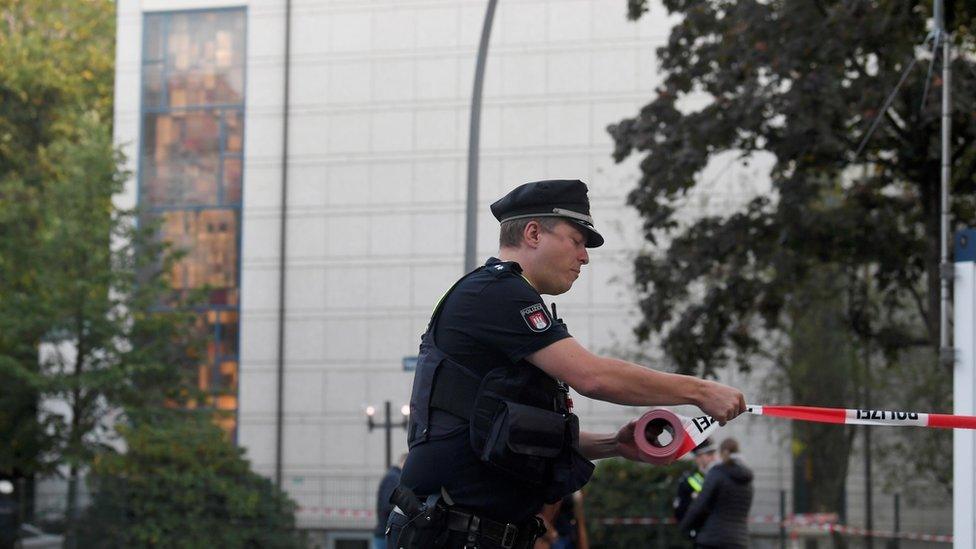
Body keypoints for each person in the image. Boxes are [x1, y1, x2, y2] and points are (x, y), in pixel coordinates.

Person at [386, 180, 746, 549]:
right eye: (577, 241)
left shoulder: (509, 301)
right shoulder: (496, 293)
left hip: (476, 534)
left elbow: (515, 432)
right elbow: (593, 377)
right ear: (533, 233)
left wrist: (615, 444)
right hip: (452, 534)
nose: (585, 257)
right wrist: (700, 391)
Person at [679, 437, 754, 549]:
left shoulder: (717, 473)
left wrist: (684, 527)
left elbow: (700, 504)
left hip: (713, 539)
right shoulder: (747, 480)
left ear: (723, 453)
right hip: (740, 541)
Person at [673, 438, 718, 523]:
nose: (714, 458)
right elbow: (680, 513)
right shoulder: (687, 481)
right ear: (698, 457)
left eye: (714, 454)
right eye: (709, 454)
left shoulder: (719, 477)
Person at [374, 454, 407, 549]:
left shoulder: (392, 476)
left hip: (384, 531)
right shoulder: (394, 478)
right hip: (386, 533)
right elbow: (388, 504)